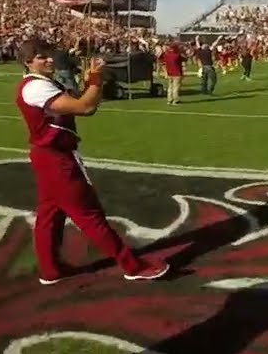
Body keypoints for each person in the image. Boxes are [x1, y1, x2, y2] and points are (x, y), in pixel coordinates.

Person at [15, 38, 168, 285]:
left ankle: (50, 270)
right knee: (89, 215)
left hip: (50, 156)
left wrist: (91, 83)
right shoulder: (35, 87)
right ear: (28, 62)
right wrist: (96, 81)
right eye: (42, 57)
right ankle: (132, 266)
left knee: (49, 216)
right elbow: (84, 107)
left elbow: (86, 104)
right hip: (56, 158)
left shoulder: (41, 83)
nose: (50, 59)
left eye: (49, 54)